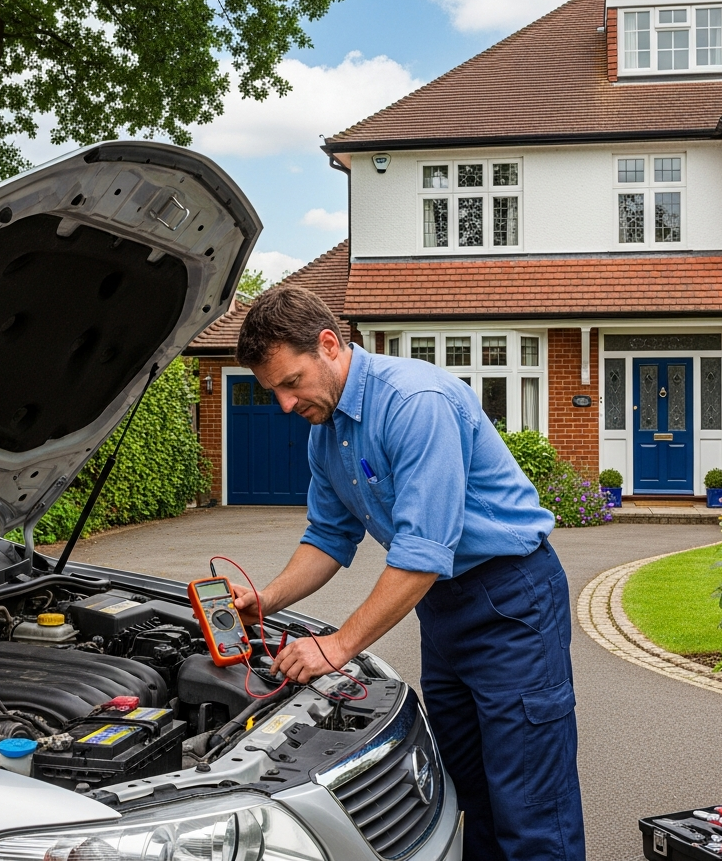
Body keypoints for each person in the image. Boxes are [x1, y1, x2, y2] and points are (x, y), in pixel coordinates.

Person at [230, 284, 584, 861]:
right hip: (443, 612)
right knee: (473, 792)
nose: (286, 407)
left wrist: (337, 646)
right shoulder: (327, 433)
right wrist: (266, 600)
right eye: (274, 393)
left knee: (531, 806)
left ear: (328, 345)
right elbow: (326, 537)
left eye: (290, 383)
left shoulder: (415, 401)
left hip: (511, 601)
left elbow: (423, 551)